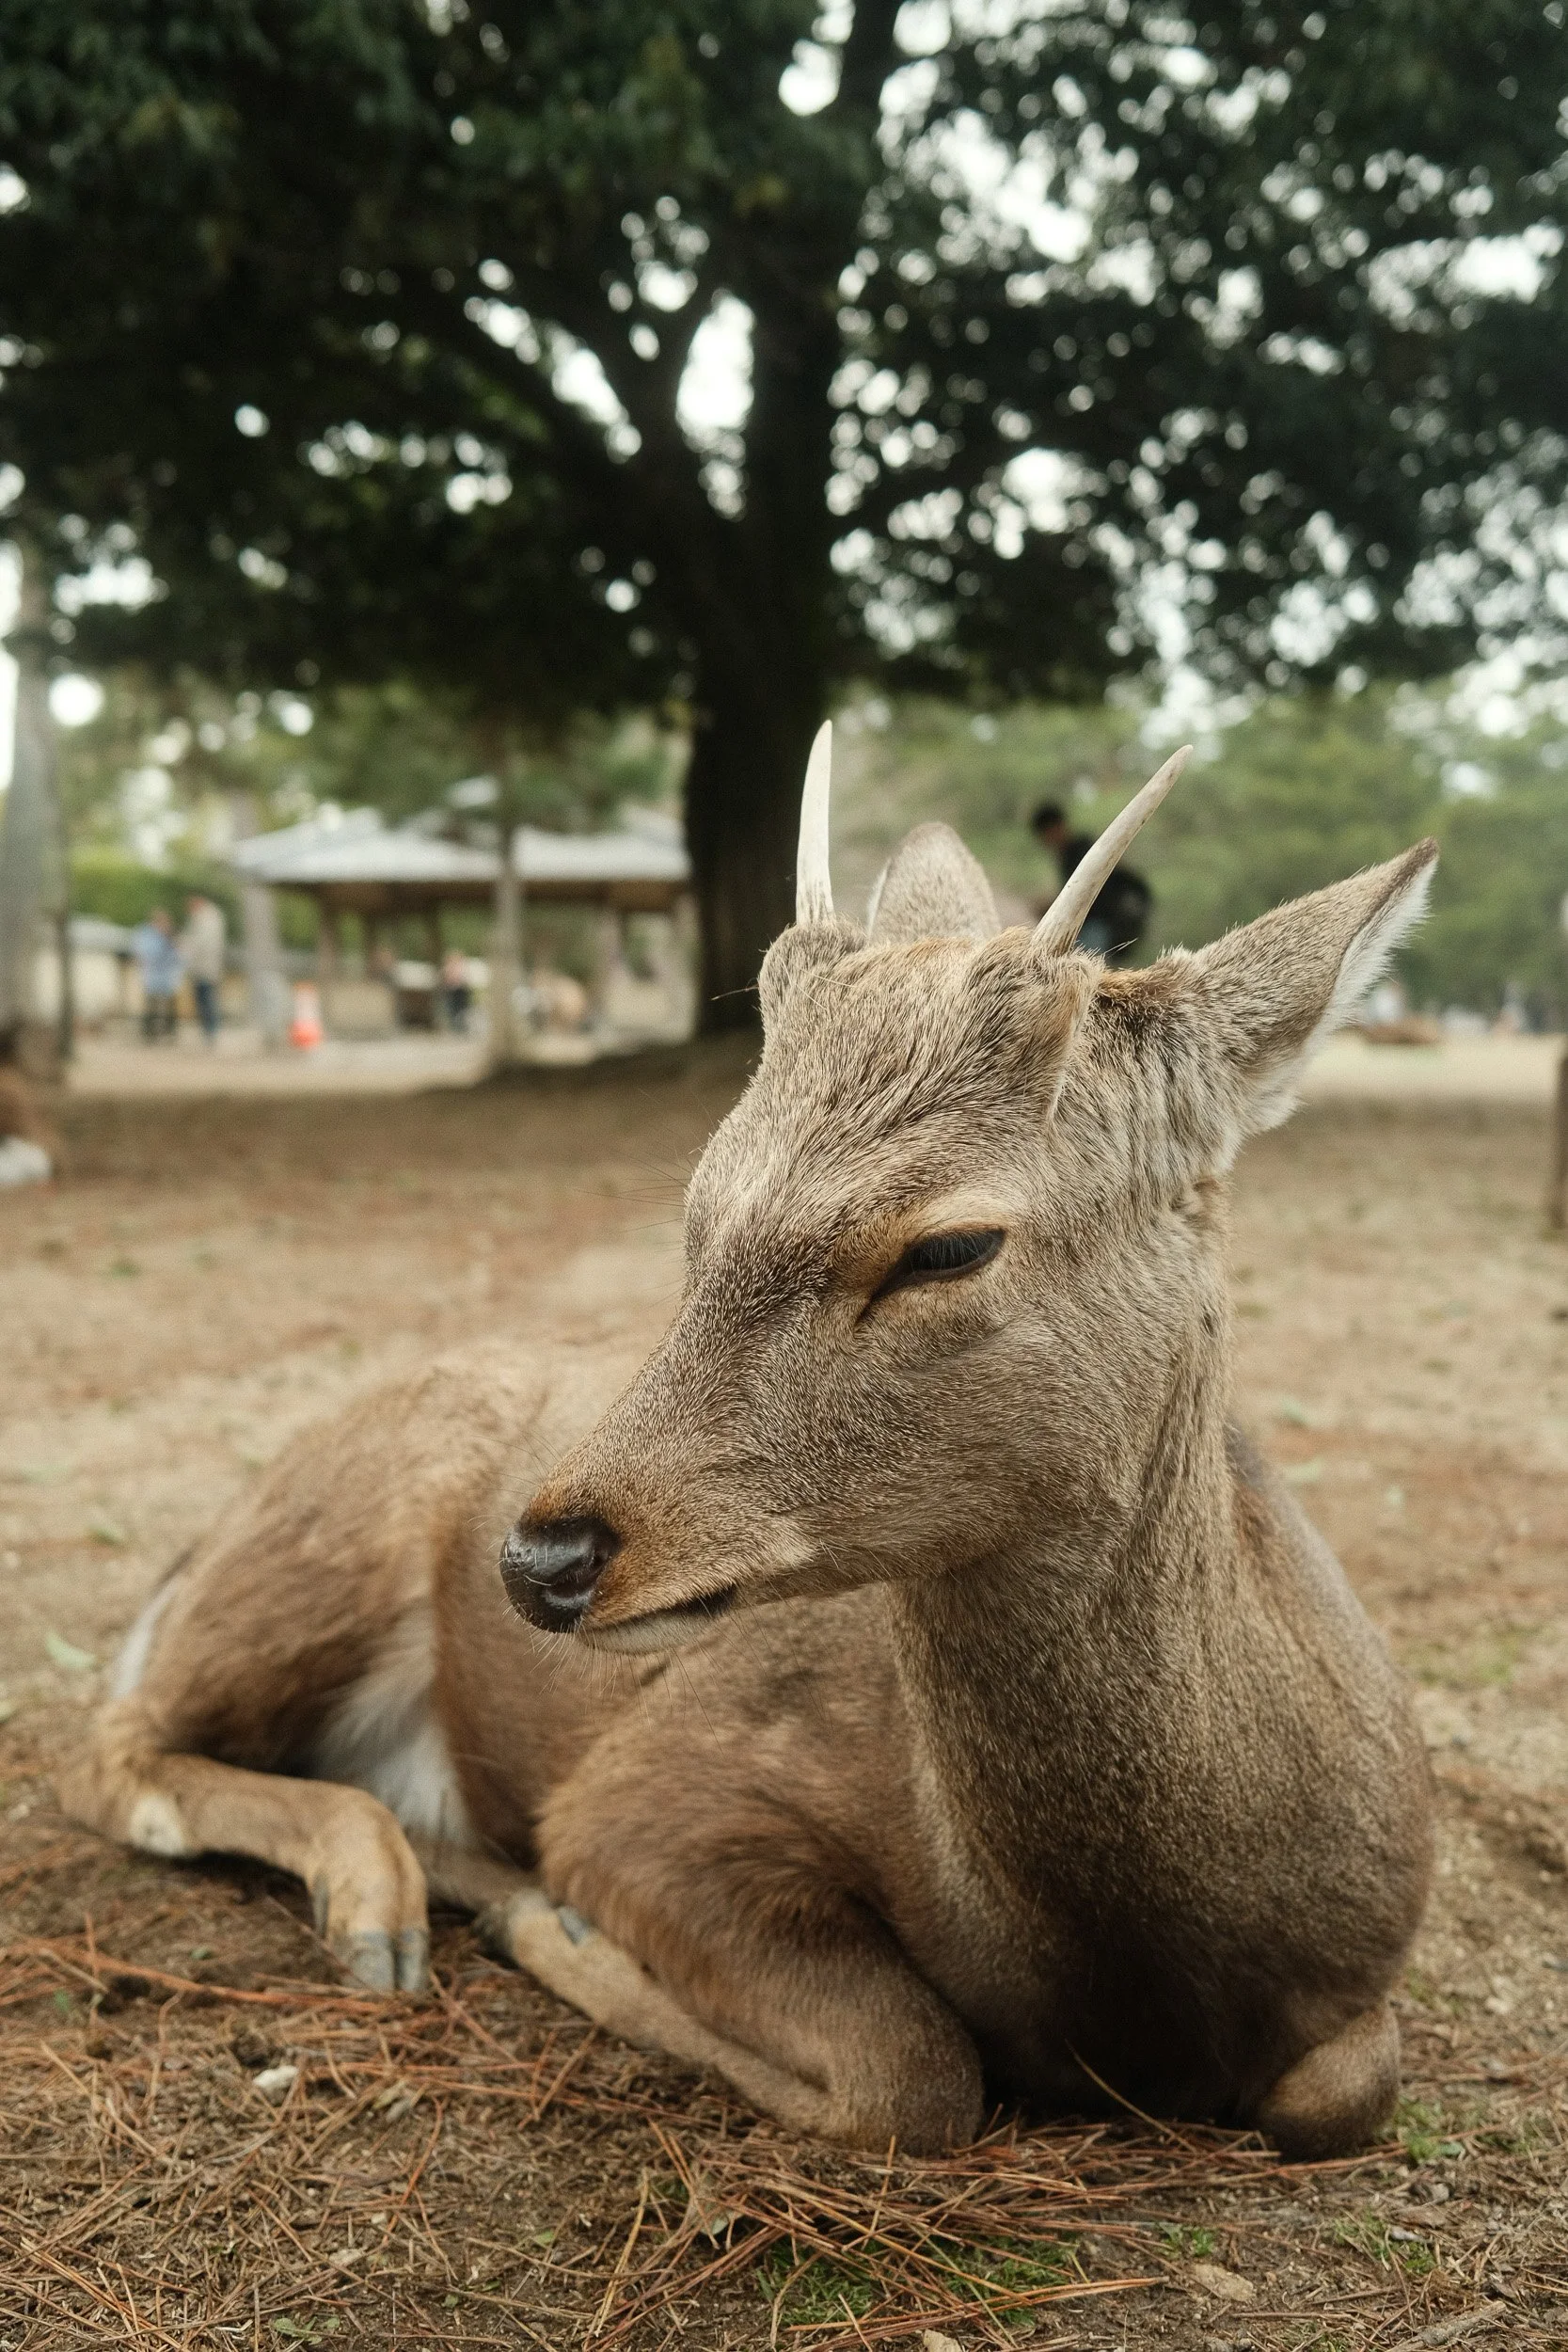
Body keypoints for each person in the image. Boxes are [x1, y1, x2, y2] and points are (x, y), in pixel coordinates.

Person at [1030, 801, 1153, 964]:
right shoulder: (1073, 854)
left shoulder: (1081, 852)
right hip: (1100, 925)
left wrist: (1050, 907)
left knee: (1079, 968)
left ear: (1056, 827)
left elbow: (1086, 897)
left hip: (1099, 925)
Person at [180, 893, 227, 1042]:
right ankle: (209, 1031)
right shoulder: (206, 918)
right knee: (204, 999)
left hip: (205, 967)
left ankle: (211, 1031)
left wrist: (185, 950)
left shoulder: (207, 919)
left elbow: (199, 943)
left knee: (206, 999)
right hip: (203, 967)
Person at [132, 908, 182, 1041]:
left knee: (170, 1005)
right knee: (152, 1004)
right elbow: (144, 953)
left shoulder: (171, 935)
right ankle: (150, 1033)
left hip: (167, 975)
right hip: (152, 974)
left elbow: (178, 955)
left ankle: (169, 1032)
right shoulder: (146, 934)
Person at [441, 946, 472, 1033]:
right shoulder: (449, 967)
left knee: (459, 1010)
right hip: (452, 991)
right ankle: (456, 1028)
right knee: (453, 1010)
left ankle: (460, 1028)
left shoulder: (461, 967)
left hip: (459, 991)